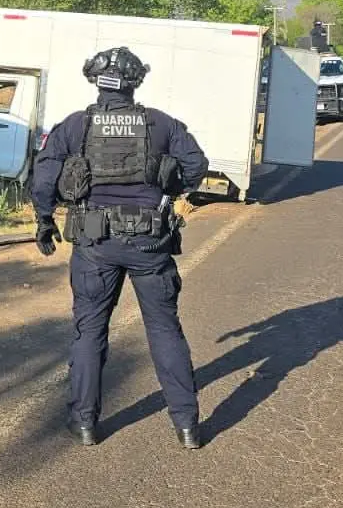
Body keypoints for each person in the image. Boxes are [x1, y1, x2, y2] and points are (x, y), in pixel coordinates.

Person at [31, 46, 210, 449]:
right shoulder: (162, 125)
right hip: (151, 244)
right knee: (165, 330)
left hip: (96, 245)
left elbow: (44, 176)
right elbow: (197, 165)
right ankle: (187, 427)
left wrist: (44, 219)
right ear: (135, 82)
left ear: (95, 81)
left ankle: (84, 425)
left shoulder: (75, 126)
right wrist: (171, 186)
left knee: (89, 331)